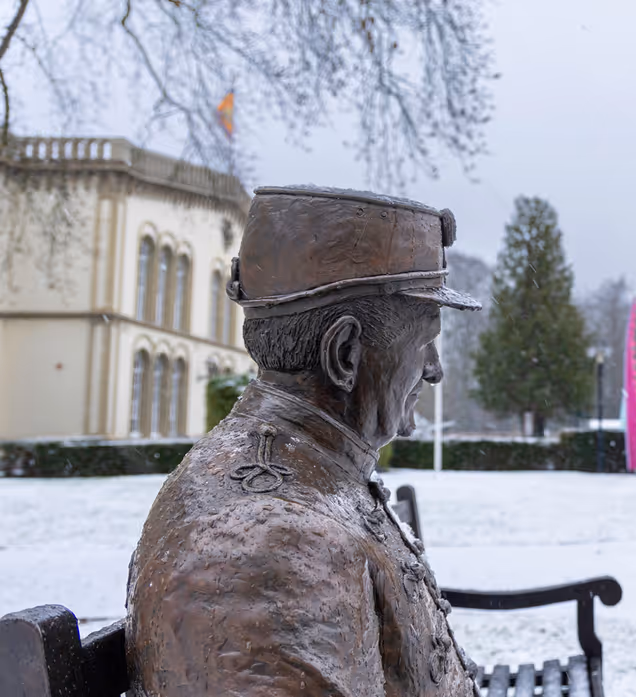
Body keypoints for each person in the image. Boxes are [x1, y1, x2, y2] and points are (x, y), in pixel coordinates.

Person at [126, 186, 482, 697]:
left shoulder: (311, 473)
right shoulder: (271, 540)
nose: (435, 369)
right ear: (344, 354)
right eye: (423, 341)